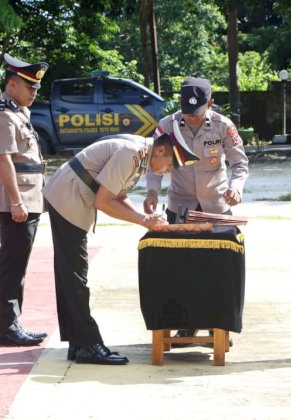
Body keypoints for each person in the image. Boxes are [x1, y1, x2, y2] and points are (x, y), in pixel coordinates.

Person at [43, 132, 198, 365]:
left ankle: (78, 343)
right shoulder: (131, 154)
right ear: (161, 150)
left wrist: (145, 216)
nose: (168, 171)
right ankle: (87, 345)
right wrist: (143, 221)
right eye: (170, 165)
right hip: (68, 196)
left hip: (70, 193)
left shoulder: (140, 154)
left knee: (71, 274)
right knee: (75, 275)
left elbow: (119, 194)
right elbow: (103, 201)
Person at [143, 76, 249, 341]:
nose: (192, 118)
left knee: (220, 271)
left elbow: (239, 163)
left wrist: (237, 188)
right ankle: (186, 323)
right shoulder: (166, 125)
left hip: (216, 206)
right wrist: (152, 191)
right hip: (180, 206)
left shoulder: (224, 126)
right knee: (182, 271)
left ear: (210, 103)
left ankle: (219, 324)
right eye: (187, 112)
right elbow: (153, 163)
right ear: (179, 102)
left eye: (198, 112)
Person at [0, 53, 49, 347]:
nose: (34, 93)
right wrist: (16, 201)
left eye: (36, 88)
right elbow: (4, 162)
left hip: (29, 198)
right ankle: (7, 327)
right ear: (12, 85)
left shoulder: (21, 113)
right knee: (12, 264)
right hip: (17, 202)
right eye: (29, 87)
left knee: (19, 263)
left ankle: (13, 322)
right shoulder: (1, 117)